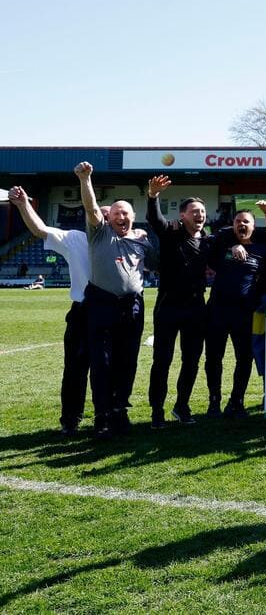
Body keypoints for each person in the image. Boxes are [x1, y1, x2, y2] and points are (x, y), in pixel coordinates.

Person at [7, 186, 103, 435]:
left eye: (104, 216)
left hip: (111, 313)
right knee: (74, 370)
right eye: (96, 214)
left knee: (107, 369)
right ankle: (70, 419)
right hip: (82, 312)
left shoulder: (121, 242)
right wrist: (22, 205)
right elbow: (40, 230)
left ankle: (104, 417)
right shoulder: (75, 239)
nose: (98, 218)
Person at [75, 162, 157, 438]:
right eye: (117, 213)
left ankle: (119, 410)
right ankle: (102, 416)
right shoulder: (99, 232)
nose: (122, 217)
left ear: (134, 217)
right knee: (102, 362)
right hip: (102, 304)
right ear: (109, 217)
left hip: (133, 306)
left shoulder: (142, 239)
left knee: (128, 361)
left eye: (127, 214)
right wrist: (86, 179)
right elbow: (91, 207)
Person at [204, 210, 266, 418]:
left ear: (253, 226)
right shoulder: (221, 246)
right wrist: (231, 244)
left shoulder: (262, 250)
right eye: (238, 221)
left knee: (244, 359)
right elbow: (212, 240)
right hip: (217, 312)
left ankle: (236, 401)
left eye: (246, 221)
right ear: (233, 225)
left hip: (245, 313)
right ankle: (214, 402)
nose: (242, 225)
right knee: (214, 358)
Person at [145, 175, 210, 427]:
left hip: (196, 308)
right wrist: (153, 196)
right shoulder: (171, 231)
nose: (200, 215)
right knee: (162, 361)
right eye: (195, 211)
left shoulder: (207, 240)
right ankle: (157, 411)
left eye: (203, 212)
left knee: (192, 360)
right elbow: (155, 220)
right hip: (168, 308)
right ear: (183, 215)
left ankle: (182, 406)